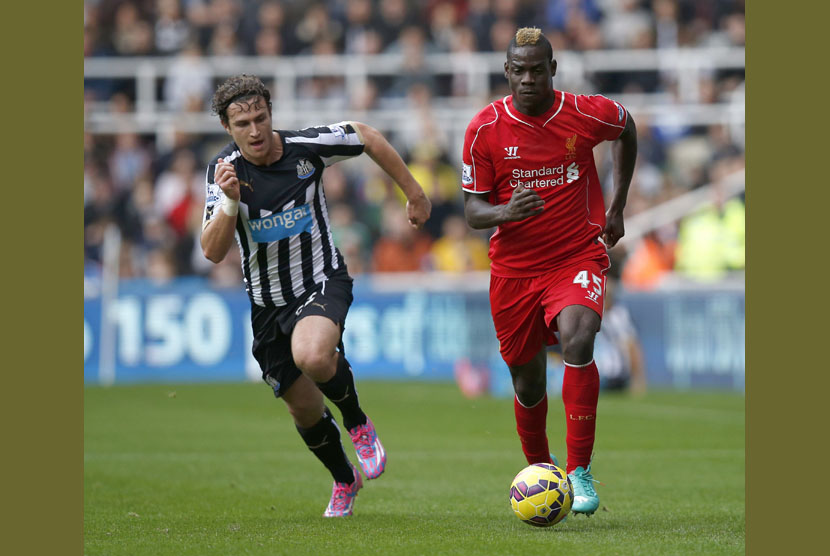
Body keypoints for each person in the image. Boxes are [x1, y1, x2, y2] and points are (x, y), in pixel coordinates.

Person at [200, 75, 431, 517]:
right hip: (267, 303)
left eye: (261, 117)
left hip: (321, 279)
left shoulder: (307, 147)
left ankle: (358, 422)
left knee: (312, 354)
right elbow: (211, 251)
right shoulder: (223, 171)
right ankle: (345, 479)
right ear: (228, 129)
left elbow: (367, 136)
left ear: (271, 112)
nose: (255, 130)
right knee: (303, 410)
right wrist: (229, 202)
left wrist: (415, 193)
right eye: (243, 123)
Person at [460, 27, 637, 516]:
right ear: (507, 72)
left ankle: (579, 471)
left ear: (552, 70)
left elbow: (626, 127)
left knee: (579, 337)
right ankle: (541, 467)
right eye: (520, 71)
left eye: (538, 70)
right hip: (514, 271)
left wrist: (617, 206)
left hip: (575, 255)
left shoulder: (582, 112)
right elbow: (474, 212)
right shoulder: (484, 129)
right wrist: (504, 213)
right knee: (527, 383)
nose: (529, 79)